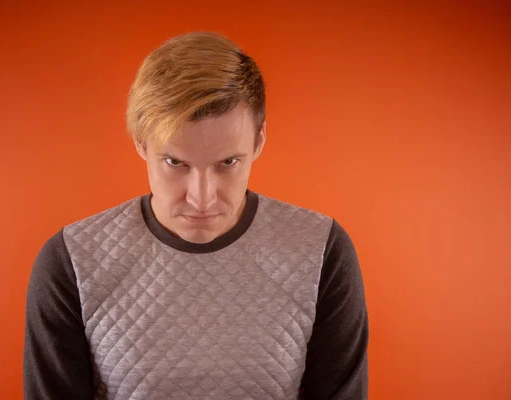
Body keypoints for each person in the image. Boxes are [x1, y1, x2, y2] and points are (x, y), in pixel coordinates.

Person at [23, 31, 369, 400]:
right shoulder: (72, 261)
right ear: (141, 143)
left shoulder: (321, 251)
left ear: (259, 141)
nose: (201, 198)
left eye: (228, 163)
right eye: (175, 162)